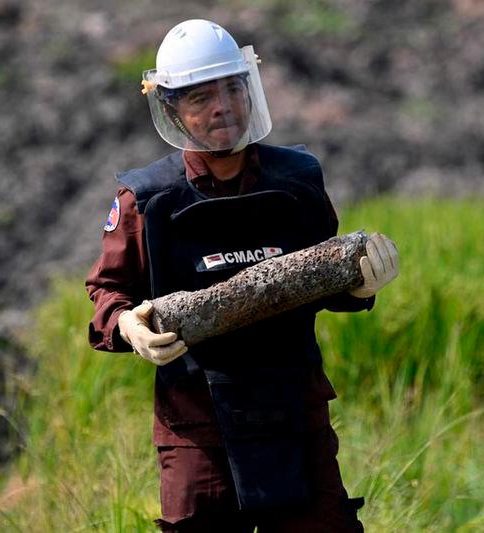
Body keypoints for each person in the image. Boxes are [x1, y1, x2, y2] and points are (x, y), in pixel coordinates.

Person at [86, 19, 399, 532]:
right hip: (195, 419)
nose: (222, 107)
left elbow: (329, 279)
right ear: (170, 108)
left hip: (294, 408)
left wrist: (362, 286)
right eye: (200, 97)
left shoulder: (297, 181)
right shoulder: (146, 200)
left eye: (233, 88)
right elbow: (108, 290)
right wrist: (128, 326)